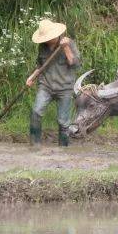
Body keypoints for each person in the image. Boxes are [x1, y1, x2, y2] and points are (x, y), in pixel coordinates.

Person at [27, 19, 81, 147]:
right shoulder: (43, 46)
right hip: (46, 85)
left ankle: (63, 148)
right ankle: (35, 145)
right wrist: (32, 77)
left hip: (65, 87)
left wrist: (66, 48)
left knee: (63, 121)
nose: (45, 40)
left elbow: (76, 65)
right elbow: (40, 65)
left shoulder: (69, 43)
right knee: (36, 111)